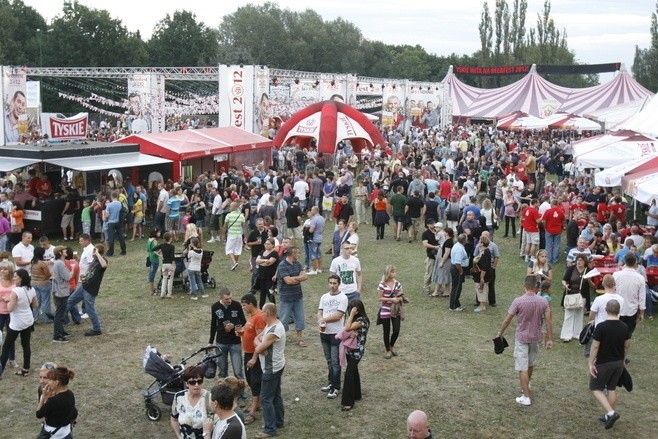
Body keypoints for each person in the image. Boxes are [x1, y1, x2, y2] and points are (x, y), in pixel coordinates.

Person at [496, 275, 553, 406]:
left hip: (522, 337)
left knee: (522, 367)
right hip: (535, 337)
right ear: (536, 287)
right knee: (530, 364)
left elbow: (507, 319)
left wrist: (500, 333)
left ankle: (525, 395)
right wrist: (549, 339)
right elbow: (549, 321)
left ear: (524, 286)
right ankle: (527, 385)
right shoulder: (543, 301)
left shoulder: (518, 301)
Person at [246, 303, 286, 439]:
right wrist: (260, 345)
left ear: (267, 313)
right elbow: (256, 340)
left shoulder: (275, 329)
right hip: (277, 365)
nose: (261, 314)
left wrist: (259, 346)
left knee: (266, 398)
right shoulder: (270, 325)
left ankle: (269, 429)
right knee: (275, 394)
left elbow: (257, 348)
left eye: (263, 312)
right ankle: (279, 421)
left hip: (272, 368)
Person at [588, 300, 630, 430]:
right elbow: (627, 344)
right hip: (618, 363)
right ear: (619, 311)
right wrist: (623, 358)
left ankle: (611, 413)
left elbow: (595, 346)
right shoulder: (624, 326)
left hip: (604, 363)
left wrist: (590, 362)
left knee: (595, 388)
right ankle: (608, 415)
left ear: (606, 310)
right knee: (611, 389)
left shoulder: (601, 326)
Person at [0, 268, 38, 378]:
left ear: (21, 279)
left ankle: (0, 370)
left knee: (6, 346)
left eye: (16, 276)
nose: (13, 278)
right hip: (28, 320)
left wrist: (8, 301)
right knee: (26, 345)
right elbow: (35, 304)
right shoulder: (31, 289)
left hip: (17, 322)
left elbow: (10, 309)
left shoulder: (15, 291)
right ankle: (25, 369)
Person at [317, 275, 348, 400]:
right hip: (324, 333)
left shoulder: (343, 298)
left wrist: (323, 319)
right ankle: (331, 382)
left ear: (339, 284)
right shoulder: (324, 297)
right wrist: (319, 319)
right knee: (329, 360)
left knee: (335, 362)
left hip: (336, 333)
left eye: (335, 283)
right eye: (330, 283)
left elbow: (338, 315)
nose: (332, 285)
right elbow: (319, 311)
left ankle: (335, 387)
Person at [67, 244, 108, 336]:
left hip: (91, 289)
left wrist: (98, 254)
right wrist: (84, 276)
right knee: (70, 301)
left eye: (95, 251)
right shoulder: (94, 260)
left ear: (99, 252)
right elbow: (91, 272)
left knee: (90, 309)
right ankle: (60, 319)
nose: (93, 253)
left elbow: (104, 265)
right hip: (84, 286)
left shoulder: (103, 260)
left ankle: (97, 329)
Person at [210, 288, 247, 385]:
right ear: (221, 298)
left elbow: (243, 321)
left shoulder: (236, 305)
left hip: (235, 342)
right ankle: (222, 391)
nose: (229, 301)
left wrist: (234, 325)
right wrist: (210, 342)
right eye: (227, 299)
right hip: (221, 342)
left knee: (238, 370)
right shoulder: (215, 307)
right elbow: (213, 325)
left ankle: (241, 392)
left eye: (230, 298)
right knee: (222, 370)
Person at [239, 293, 266, 425]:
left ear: (251, 304)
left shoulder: (259, 317)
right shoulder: (251, 316)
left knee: (255, 381)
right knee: (250, 379)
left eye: (244, 305)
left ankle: (253, 412)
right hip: (248, 353)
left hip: (254, 355)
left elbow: (260, 340)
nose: (243, 308)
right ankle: (257, 403)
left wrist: (255, 357)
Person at [612, 252, 646, 354]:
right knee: (627, 335)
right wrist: (642, 313)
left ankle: (615, 353)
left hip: (617, 309)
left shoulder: (616, 275)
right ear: (636, 262)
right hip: (632, 310)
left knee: (616, 333)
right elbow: (642, 298)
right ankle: (623, 357)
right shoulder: (640, 278)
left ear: (625, 261)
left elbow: (612, 291)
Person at [340, 298, 369, 411]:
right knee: (354, 372)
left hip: (356, 352)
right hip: (351, 350)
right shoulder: (356, 320)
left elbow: (346, 328)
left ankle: (348, 402)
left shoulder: (361, 320)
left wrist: (351, 314)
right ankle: (357, 394)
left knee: (349, 374)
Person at [276, 245, 309, 346]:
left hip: (298, 296)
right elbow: (288, 281)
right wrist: (298, 278)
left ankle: (299, 339)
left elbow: (305, 276)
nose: (299, 255)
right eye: (298, 253)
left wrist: (294, 278)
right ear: (293, 254)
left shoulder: (297, 264)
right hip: (286, 297)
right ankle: (282, 338)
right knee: (284, 319)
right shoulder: (282, 265)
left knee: (300, 318)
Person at [170, 365, 212, 439]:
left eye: (199, 381)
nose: (196, 385)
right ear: (186, 383)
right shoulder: (179, 397)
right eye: (192, 382)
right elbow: (174, 419)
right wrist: (178, 436)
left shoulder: (208, 397)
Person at [35, 365, 78, 439]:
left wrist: (43, 397)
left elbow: (38, 414)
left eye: (50, 379)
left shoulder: (54, 400)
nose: (47, 382)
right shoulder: (70, 393)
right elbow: (74, 412)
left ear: (56, 382)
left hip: (53, 435)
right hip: (66, 433)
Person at [560, 254, 594, 342]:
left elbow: (593, 286)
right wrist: (565, 285)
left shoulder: (589, 271)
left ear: (585, 261)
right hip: (571, 295)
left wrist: (589, 280)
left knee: (579, 316)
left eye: (581, 260)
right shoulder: (571, 269)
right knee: (568, 315)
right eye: (578, 260)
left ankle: (577, 334)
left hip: (582, 296)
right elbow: (564, 280)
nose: (579, 262)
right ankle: (566, 335)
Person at [377, 265, 403, 359]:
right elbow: (379, 298)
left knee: (396, 330)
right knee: (386, 331)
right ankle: (387, 350)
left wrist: (399, 298)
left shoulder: (398, 284)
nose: (394, 273)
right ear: (388, 273)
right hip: (385, 309)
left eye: (395, 272)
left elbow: (401, 294)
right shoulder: (382, 285)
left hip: (395, 310)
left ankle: (391, 345)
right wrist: (391, 299)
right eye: (393, 272)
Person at [51, 246, 73, 343]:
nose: (66, 251)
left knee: (61, 312)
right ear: (60, 252)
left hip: (58, 290)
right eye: (64, 250)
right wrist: (73, 269)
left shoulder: (58, 263)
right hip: (61, 291)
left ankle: (61, 331)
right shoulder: (60, 263)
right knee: (59, 314)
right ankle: (57, 335)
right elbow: (68, 277)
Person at [0, 260, 18, 369]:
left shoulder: (15, 281)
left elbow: (19, 294)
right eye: (1, 269)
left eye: (5, 269)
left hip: (12, 313)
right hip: (0, 312)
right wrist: (2, 298)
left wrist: (11, 299)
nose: (2, 271)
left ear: (10, 270)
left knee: (10, 338)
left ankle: (12, 359)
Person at [30, 246, 53, 324]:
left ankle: (35, 318)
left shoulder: (32, 262)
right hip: (43, 284)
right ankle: (47, 319)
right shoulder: (42, 263)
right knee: (45, 302)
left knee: (36, 302)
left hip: (34, 283)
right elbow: (47, 275)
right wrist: (51, 273)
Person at [255, 238, 279, 308]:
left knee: (270, 294)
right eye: (265, 244)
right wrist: (265, 260)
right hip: (261, 276)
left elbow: (269, 263)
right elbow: (257, 260)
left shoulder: (274, 253)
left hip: (269, 276)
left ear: (273, 245)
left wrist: (261, 262)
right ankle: (261, 309)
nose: (266, 245)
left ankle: (273, 310)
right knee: (262, 294)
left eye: (268, 244)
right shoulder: (262, 252)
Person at [152, 231, 175, 299]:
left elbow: (153, 249)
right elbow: (172, 257)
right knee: (170, 279)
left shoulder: (161, 245)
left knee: (164, 278)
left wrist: (159, 255)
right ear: (170, 238)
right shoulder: (172, 247)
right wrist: (174, 265)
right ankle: (169, 294)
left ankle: (162, 293)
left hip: (164, 264)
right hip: (170, 264)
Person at [223, 202, 246, 271]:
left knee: (229, 249)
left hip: (231, 234)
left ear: (235, 207)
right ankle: (235, 263)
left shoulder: (228, 215)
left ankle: (234, 262)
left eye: (230, 206)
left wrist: (223, 234)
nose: (230, 208)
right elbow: (244, 227)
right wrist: (245, 236)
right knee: (237, 249)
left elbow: (225, 226)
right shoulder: (241, 216)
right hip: (239, 235)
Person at [449, 234, 469, 311]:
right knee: (456, 287)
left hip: (456, 268)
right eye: (466, 239)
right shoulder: (460, 249)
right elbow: (457, 263)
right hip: (457, 269)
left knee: (458, 287)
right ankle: (453, 306)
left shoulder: (457, 245)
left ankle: (457, 304)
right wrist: (461, 271)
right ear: (464, 240)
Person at [104, 191, 127, 257]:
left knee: (111, 237)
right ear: (117, 196)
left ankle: (110, 252)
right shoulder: (120, 204)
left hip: (111, 222)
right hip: (119, 222)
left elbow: (107, 215)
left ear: (111, 197)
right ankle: (123, 250)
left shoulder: (109, 205)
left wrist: (106, 219)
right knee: (121, 236)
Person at [307, 206, 325, 274]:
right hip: (320, 237)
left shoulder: (314, 219)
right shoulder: (322, 218)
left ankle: (314, 270)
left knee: (313, 254)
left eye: (312, 210)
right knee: (318, 253)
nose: (311, 212)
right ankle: (319, 269)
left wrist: (307, 229)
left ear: (315, 211)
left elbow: (311, 230)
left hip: (314, 238)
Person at [146, 228, 161, 296]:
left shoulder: (149, 240)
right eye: (158, 232)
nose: (160, 233)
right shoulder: (155, 241)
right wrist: (160, 252)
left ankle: (152, 289)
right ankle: (151, 291)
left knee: (151, 273)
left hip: (150, 257)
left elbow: (148, 249)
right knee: (152, 274)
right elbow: (155, 251)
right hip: (155, 259)